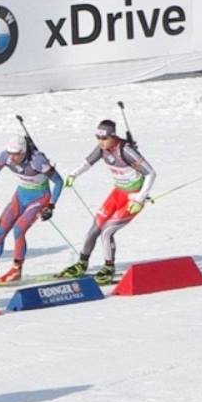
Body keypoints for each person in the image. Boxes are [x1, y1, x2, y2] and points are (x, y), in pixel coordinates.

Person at [58, 118, 156, 285]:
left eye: (104, 138)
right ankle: (82, 263)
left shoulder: (126, 151)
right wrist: (73, 175)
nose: (101, 142)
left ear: (113, 136)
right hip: (117, 193)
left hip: (132, 198)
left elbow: (151, 173)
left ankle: (108, 268)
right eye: (98, 138)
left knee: (107, 231)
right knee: (95, 228)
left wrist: (140, 199)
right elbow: (87, 162)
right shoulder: (102, 149)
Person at [0, 134, 64, 285]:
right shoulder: (5, 157)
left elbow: (59, 182)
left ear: (24, 152)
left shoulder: (37, 161)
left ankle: (16, 270)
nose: (12, 158)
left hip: (39, 198)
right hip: (20, 196)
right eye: (10, 153)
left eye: (16, 154)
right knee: (1, 229)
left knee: (19, 230)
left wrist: (51, 206)